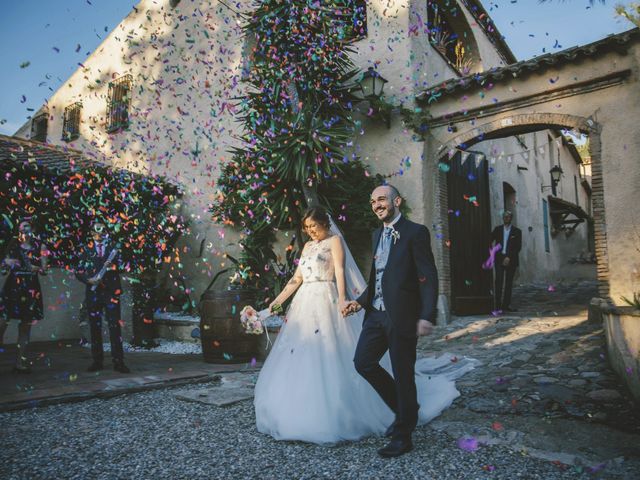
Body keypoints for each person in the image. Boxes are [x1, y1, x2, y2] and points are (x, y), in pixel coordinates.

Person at [254, 204, 471, 446]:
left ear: (324, 223)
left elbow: (339, 271)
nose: (310, 231)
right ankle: (298, 409)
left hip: (327, 299)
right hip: (304, 304)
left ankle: (373, 413)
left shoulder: (334, 241)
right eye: (307, 228)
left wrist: (344, 299)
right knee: (302, 353)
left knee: (342, 356)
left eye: (313, 226)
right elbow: (296, 279)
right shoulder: (306, 246)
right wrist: (273, 305)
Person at [343, 184, 439, 457]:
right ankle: (405, 410)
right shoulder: (377, 235)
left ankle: (403, 435)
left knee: (403, 373)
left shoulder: (416, 233)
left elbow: (428, 277)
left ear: (397, 200)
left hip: (403, 316)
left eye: (382, 199)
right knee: (363, 362)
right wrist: (359, 303)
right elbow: (377, 279)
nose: (377, 205)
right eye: (373, 201)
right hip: (375, 314)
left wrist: (426, 315)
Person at [75, 221, 130, 373]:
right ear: (91, 233)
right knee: (95, 327)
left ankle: (119, 362)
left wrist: (113, 267)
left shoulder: (115, 249)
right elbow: (78, 271)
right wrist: (89, 279)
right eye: (95, 232)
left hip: (111, 292)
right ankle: (97, 361)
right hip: (93, 293)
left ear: (106, 232)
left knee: (114, 327)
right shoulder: (85, 250)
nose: (99, 235)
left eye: (102, 231)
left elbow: (125, 265)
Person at [0, 220, 48, 373]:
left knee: (25, 326)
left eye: (26, 226)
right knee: (2, 323)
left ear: (32, 228)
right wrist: (6, 261)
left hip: (30, 289)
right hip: (12, 287)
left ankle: (19, 362)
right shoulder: (13, 245)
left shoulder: (40, 246)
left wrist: (38, 268)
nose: (23, 229)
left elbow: (45, 269)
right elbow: (3, 268)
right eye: (21, 227)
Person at [490, 210, 522, 312]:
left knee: (508, 283)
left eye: (508, 217)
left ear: (511, 218)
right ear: (503, 218)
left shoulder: (517, 231)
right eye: (504, 217)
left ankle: (506, 305)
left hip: (511, 260)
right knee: (498, 281)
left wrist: (509, 257)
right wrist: (492, 252)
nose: (506, 218)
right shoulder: (497, 229)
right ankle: (498, 306)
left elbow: (518, 247)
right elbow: (489, 240)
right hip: (499, 259)